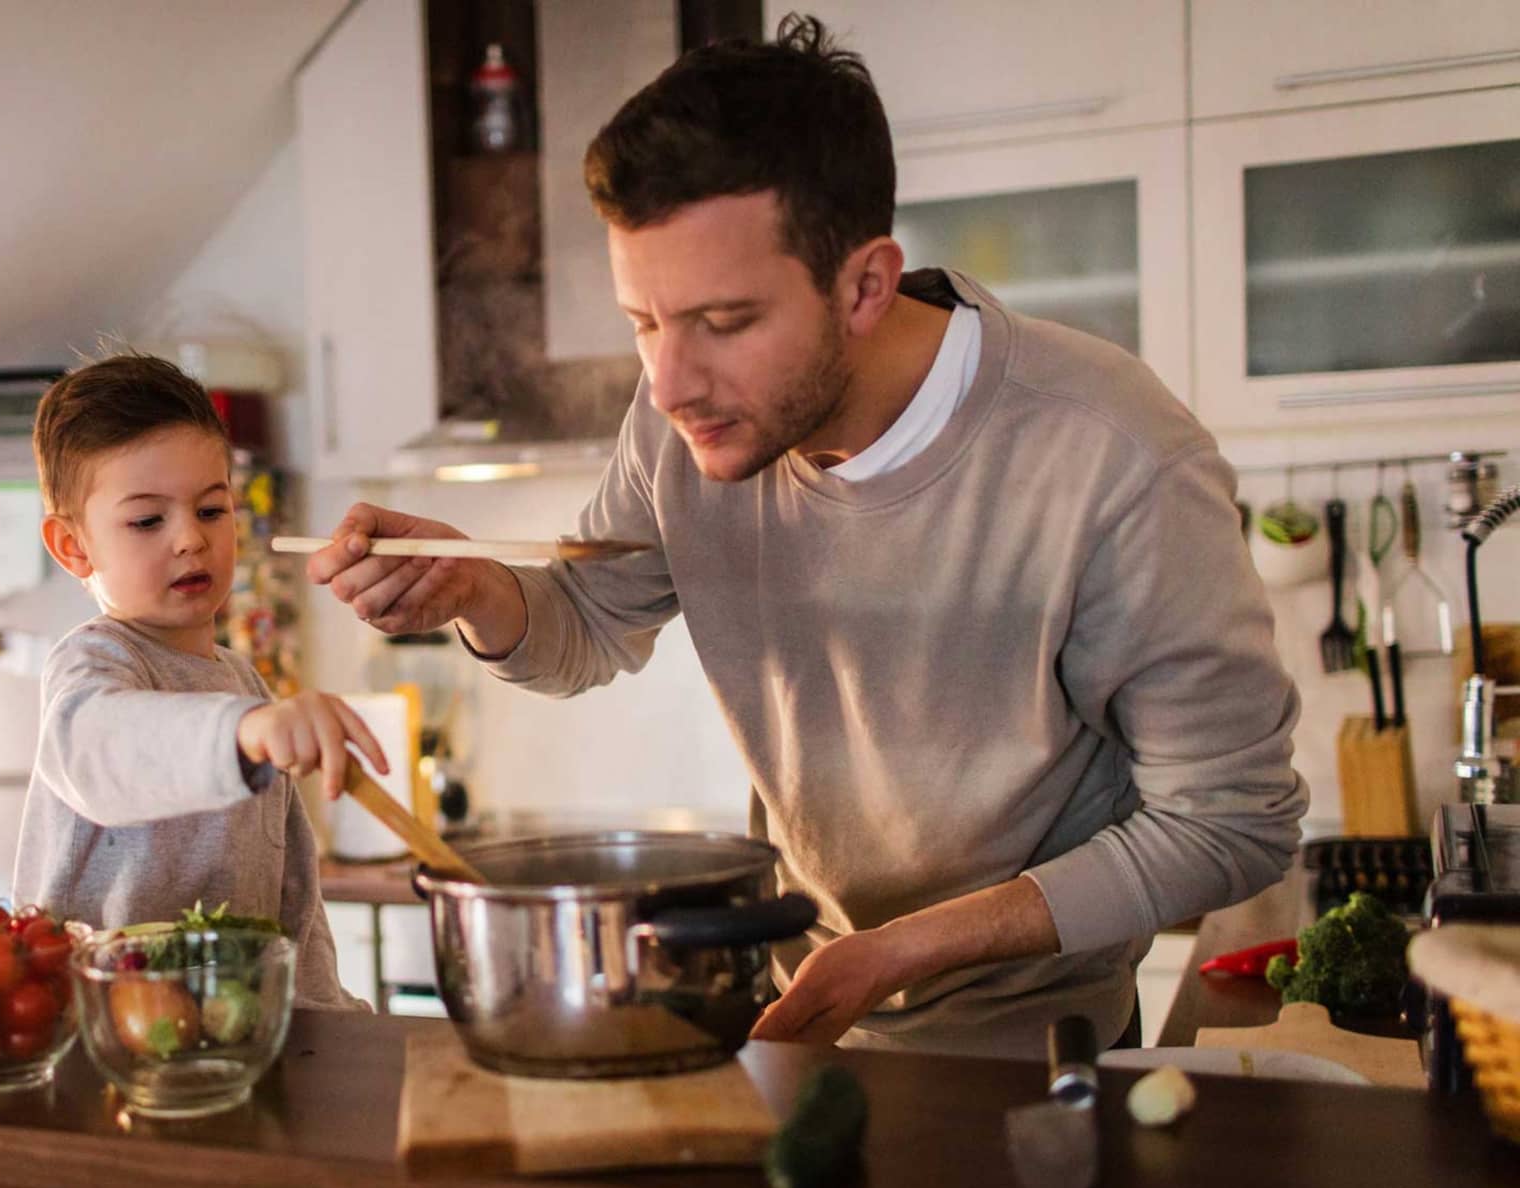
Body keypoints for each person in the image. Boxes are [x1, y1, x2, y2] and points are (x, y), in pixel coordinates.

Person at [305, 16, 1307, 1057]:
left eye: (723, 321)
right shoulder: (681, 424)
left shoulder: (1107, 451)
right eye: (642, 321)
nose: (664, 382)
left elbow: (1229, 821)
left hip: (1032, 1050)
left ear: (865, 284)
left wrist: (900, 950)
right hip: (800, 1017)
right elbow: (587, 624)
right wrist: (471, 589)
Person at [11, 352, 378, 1011]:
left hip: (234, 1045)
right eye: (148, 520)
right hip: (101, 1054)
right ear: (74, 547)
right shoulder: (90, 666)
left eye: (211, 510)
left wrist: (326, 1019)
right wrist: (244, 731)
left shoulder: (242, 683)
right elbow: (103, 747)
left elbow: (290, 897)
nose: (190, 539)